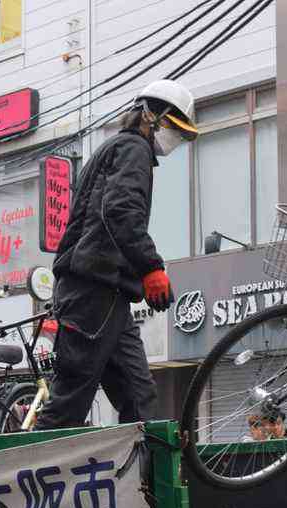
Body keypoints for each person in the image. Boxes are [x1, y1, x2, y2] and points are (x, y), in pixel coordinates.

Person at [34, 80, 199, 430]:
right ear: (150, 116)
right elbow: (120, 211)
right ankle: (21, 480)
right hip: (93, 291)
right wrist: (151, 267)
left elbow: (106, 216)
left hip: (107, 295)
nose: (174, 140)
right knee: (69, 404)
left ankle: (144, 482)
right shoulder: (132, 149)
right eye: (173, 128)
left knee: (140, 399)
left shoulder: (115, 150)